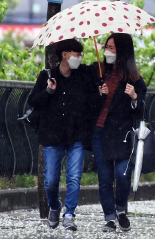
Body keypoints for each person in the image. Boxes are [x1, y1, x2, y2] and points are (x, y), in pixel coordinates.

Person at [27, 38, 102, 231]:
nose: (79, 58)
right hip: (52, 136)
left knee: (74, 177)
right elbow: (33, 100)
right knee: (50, 180)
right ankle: (54, 206)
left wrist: (100, 92)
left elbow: (93, 104)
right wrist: (49, 91)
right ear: (65, 55)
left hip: (75, 136)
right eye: (77, 54)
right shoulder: (47, 76)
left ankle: (69, 214)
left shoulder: (83, 77)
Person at [91, 33, 146, 232]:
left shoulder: (134, 79)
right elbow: (87, 103)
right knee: (104, 178)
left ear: (122, 50)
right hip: (100, 131)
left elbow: (142, 110)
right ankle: (110, 218)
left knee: (122, 175)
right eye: (107, 46)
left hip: (123, 134)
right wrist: (98, 94)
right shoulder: (98, 72)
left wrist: (134, 98)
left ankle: (121, 210)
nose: (108, 51)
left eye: (113, 47)